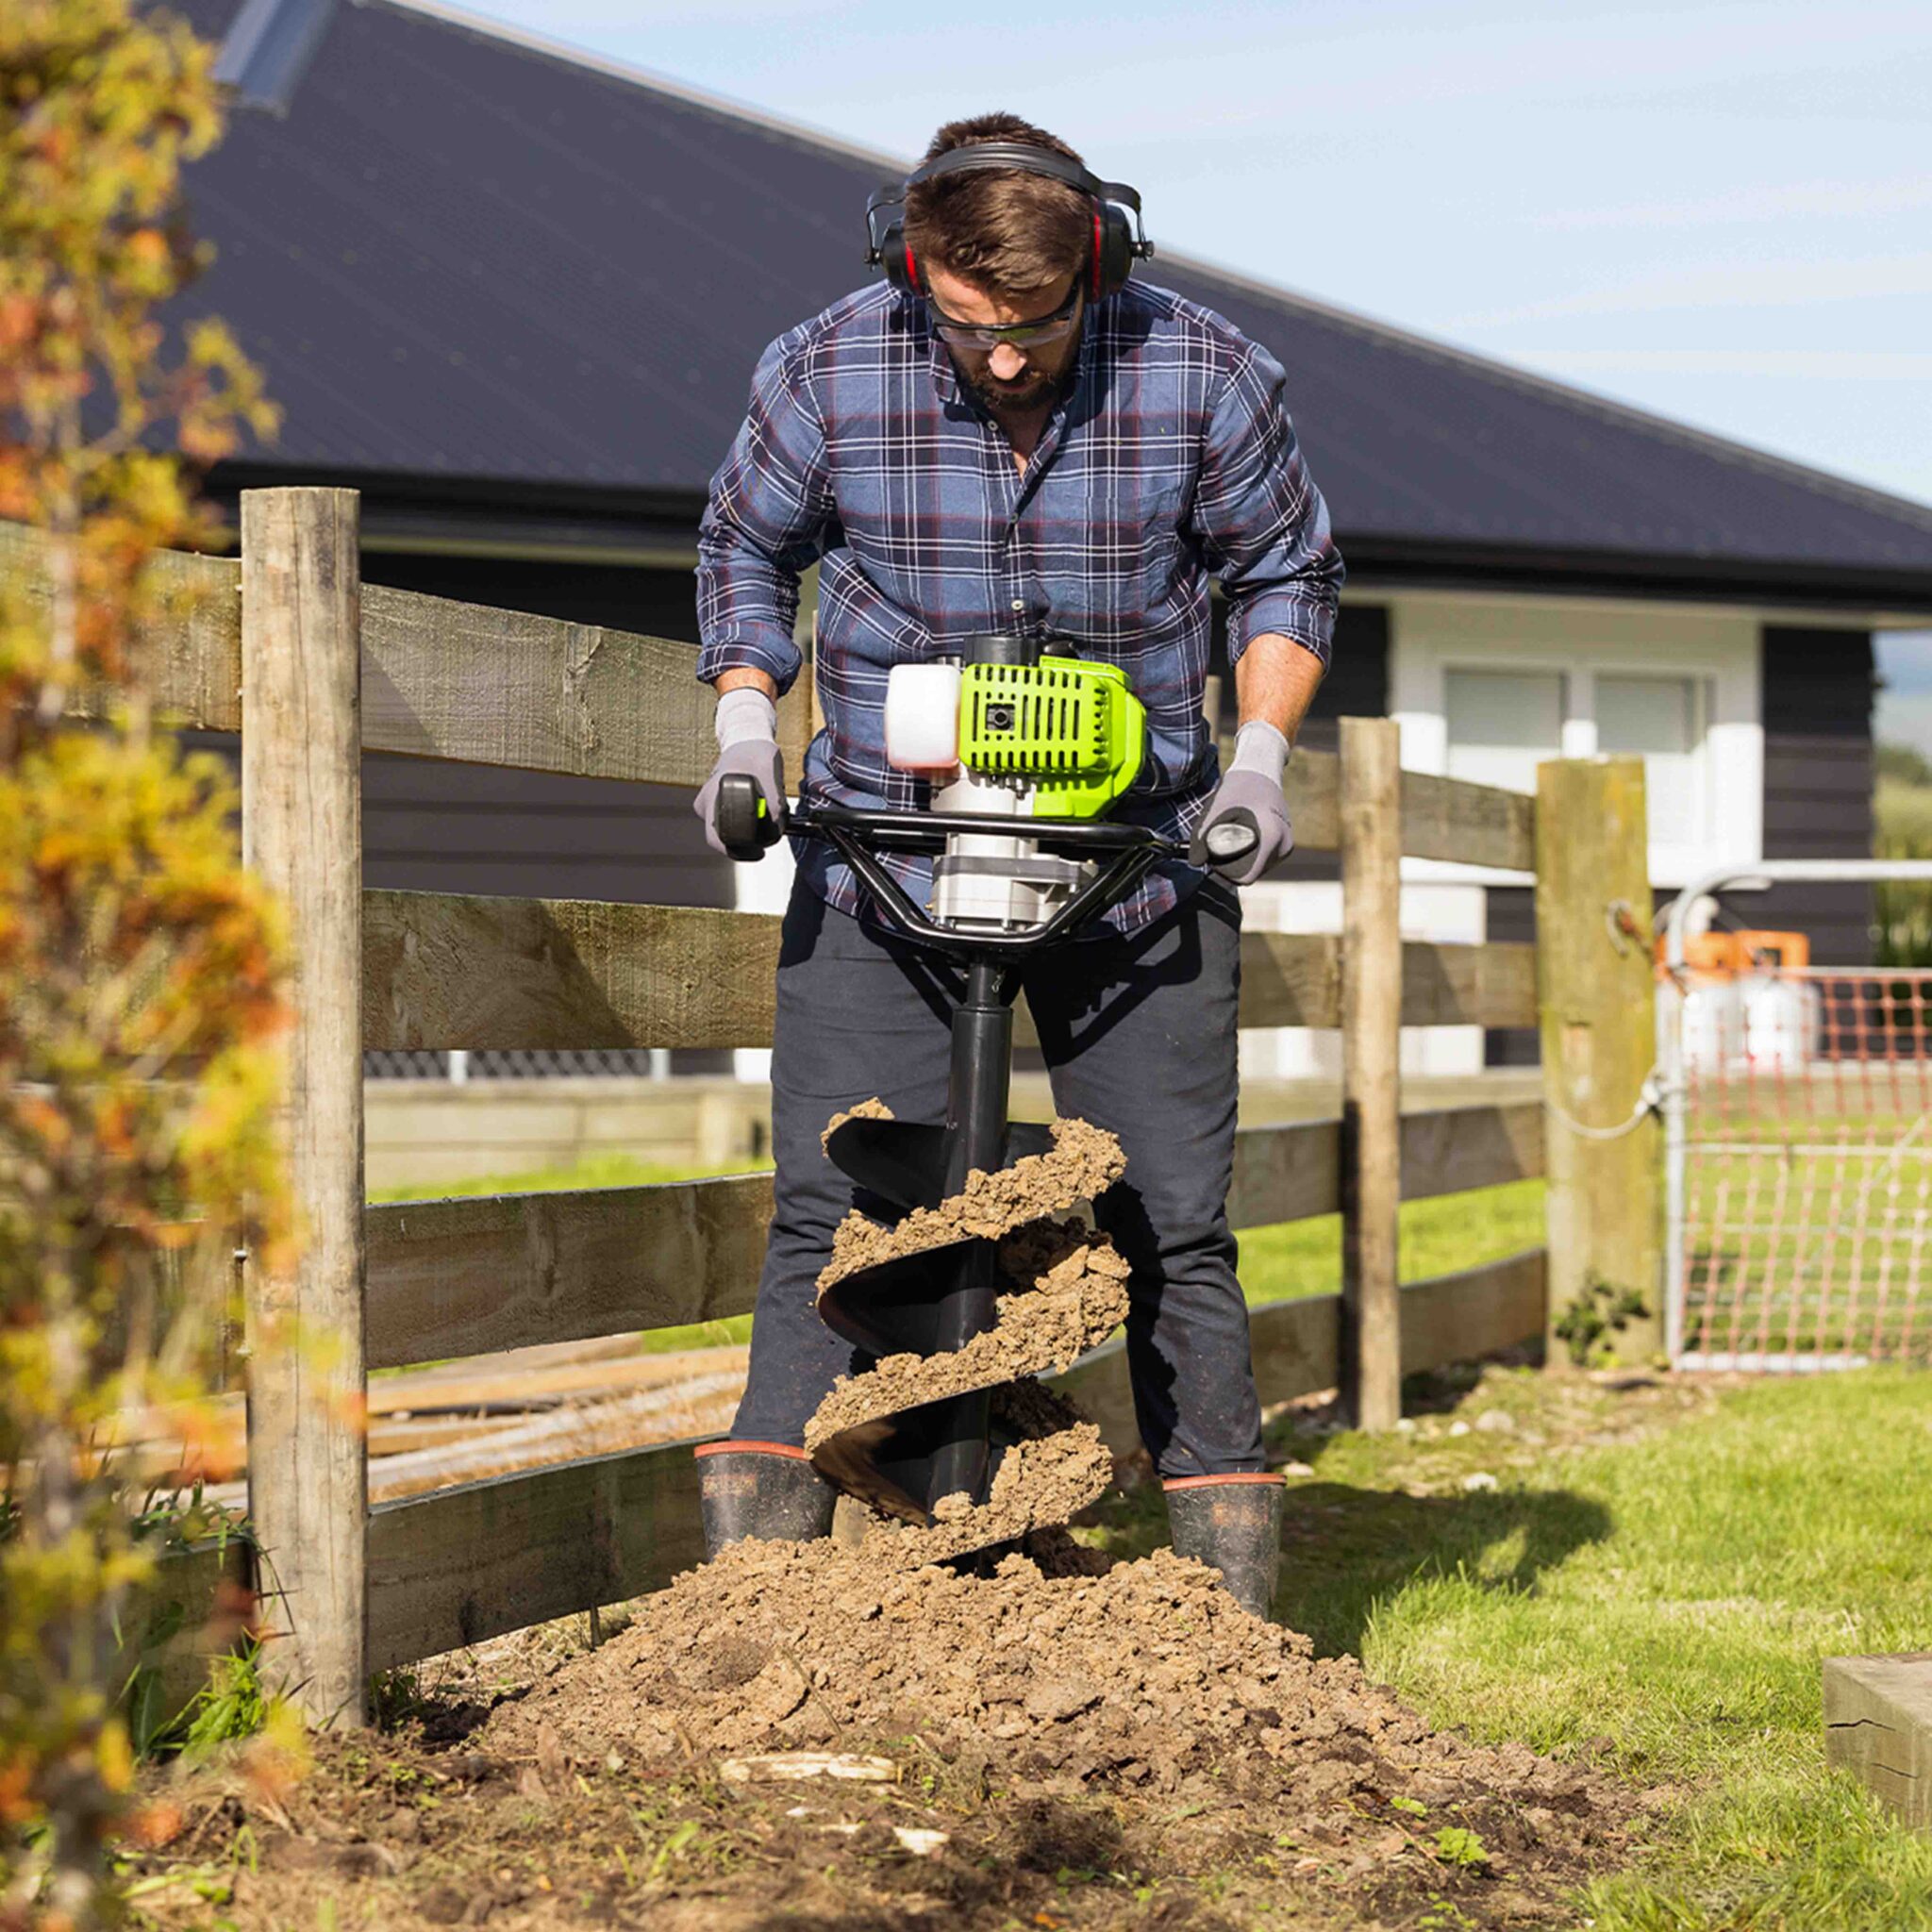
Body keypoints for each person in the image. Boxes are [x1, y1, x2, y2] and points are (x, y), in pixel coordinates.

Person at [688, 111, 1342, 1616]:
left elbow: (1287, 568)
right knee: (836, 1206)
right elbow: (742, 547)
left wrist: (1257, 759)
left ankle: (1224, 1627)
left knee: (1171, 1218)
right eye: (967, 321)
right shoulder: (827, 365)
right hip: (887, 864)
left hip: (1141, 867)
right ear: (912, 264)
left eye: (1033, 325)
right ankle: (747, 1614)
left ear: (1095, 267)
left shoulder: (1203, 370)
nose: (999, 358)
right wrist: (742, 726)